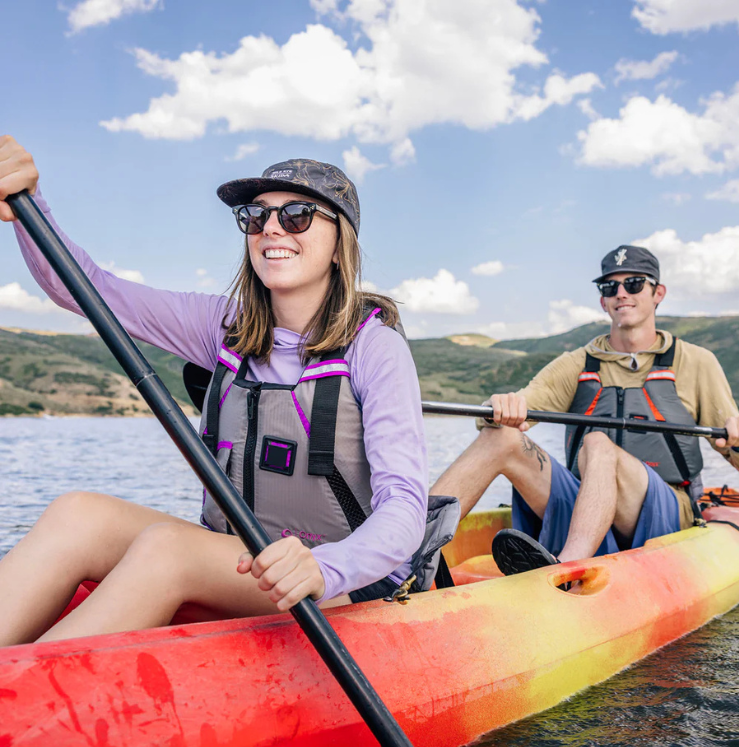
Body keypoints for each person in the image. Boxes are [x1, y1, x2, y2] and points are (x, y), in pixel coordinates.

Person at [0, 136, 454, 646]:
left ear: (339, 240)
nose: (272, 229)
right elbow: (87, 290)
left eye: (298, 215)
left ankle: (22, 702)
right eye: (256, 217)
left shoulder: (376, 348)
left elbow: (405, 508)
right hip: (239, 557)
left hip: (343, 582)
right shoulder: (223, 326)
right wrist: (28, 204)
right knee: (76, 513)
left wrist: (326, 567)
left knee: (167, 548)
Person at [431, 245, 739, 575]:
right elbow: (508, 408)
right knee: (501, 437)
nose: (621, 293)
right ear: (603, 300)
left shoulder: (696, 362)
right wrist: (496, 407)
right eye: (610, 287)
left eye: (634, 283)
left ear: (658, 293)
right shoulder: (576, 364)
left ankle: (568, 566)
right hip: (584, 506)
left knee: (597, 443)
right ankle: (404, 549)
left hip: (664, 509)